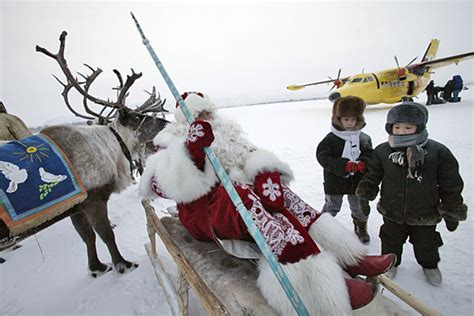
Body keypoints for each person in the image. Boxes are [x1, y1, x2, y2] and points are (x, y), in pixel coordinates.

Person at [139, 92, 396, 315]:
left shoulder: (228, 134)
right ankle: (316, 286)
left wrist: (265, 172)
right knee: (246, 198)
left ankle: (349, 256)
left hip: (236, 199)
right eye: (200, 114)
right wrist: (191, 153)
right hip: (204, 212)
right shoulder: (170, 142)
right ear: (186, 120)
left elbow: (251, 156)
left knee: (283, 197)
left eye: (208, 112)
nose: (207, 117)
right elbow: (162, 187)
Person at [356, 102, 467, 286]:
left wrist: (452, 209)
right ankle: (390, 264)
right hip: (392, 210)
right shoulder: (383, 151)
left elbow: (451, 183)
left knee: (427, 244)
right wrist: (365, 194)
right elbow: (372, 175)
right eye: (397, 127)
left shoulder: (437, 152)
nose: (402, 131)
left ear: (419, 127)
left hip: (425, 212)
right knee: (390, 241)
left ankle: (429, 265)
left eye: (408, 127)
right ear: (390, 127)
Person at [316, 96, 372, 243]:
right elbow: (322, 156)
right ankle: (321, 229)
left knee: (359, 206)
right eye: (346, 119)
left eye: (353, 119)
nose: (349, 123)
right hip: (335, 181)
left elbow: (369, 155)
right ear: (338, 119)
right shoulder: (331, 138)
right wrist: (342, 165)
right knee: (331, 206)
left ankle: (361, 226)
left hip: (357, 181)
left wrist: (363, 163)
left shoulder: (363, 138)